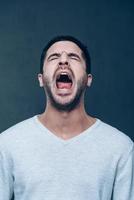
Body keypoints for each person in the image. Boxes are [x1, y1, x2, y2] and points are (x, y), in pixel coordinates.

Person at [0, 35, 133, 200]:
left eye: (73, 57)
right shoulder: (7, 144)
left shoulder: (121, 148)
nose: (63, 61)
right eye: (54, 57)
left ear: (88, 79)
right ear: (41, 79)